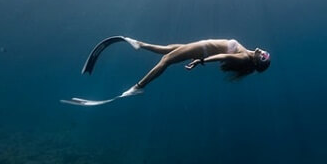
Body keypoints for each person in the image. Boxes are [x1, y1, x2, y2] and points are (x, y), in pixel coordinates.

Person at [61, 36, 271, 106]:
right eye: (264, 53)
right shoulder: (248, 53)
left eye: (262, 56)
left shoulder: (244, 57)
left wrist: (202, 60)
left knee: (167, 59)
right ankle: (139, 44)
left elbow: (224, 56)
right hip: (201, 46)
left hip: (203, 49)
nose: (262, 52)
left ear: (257, 61)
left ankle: (138, 87)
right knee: (168, 48)